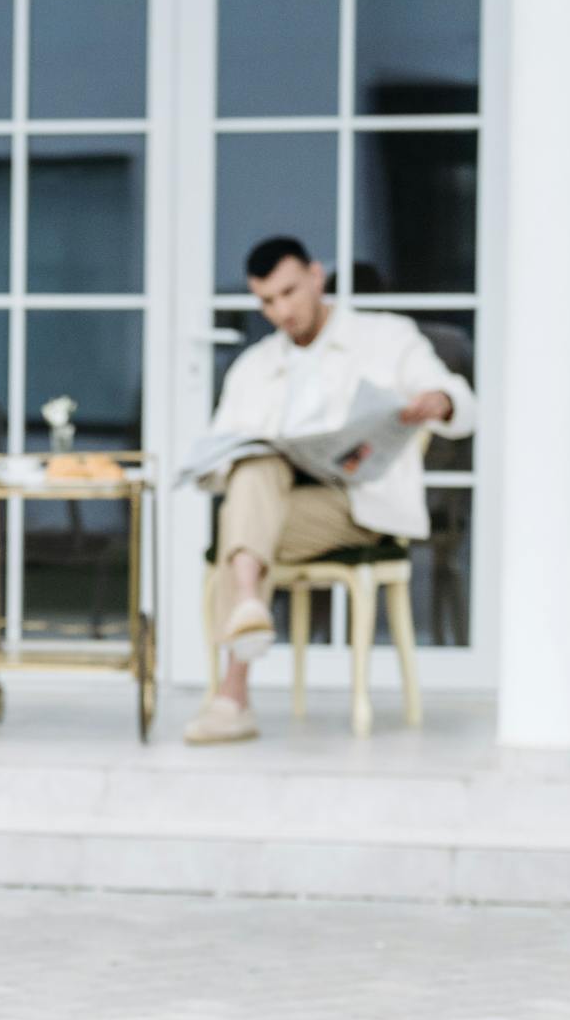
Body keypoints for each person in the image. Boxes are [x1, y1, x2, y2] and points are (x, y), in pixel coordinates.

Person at [185, 236, 476, 745]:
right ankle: (249, 607)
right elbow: (216, 459)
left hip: (357, 504)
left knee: (240, 534)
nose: (281, 311)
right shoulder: (254, 366)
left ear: (317, 276)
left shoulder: (386, 337)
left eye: (289, 292)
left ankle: (233, 696)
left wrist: (439, 402)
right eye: (267, 301)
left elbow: (460, 403)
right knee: (254, 472)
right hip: (278, 507)